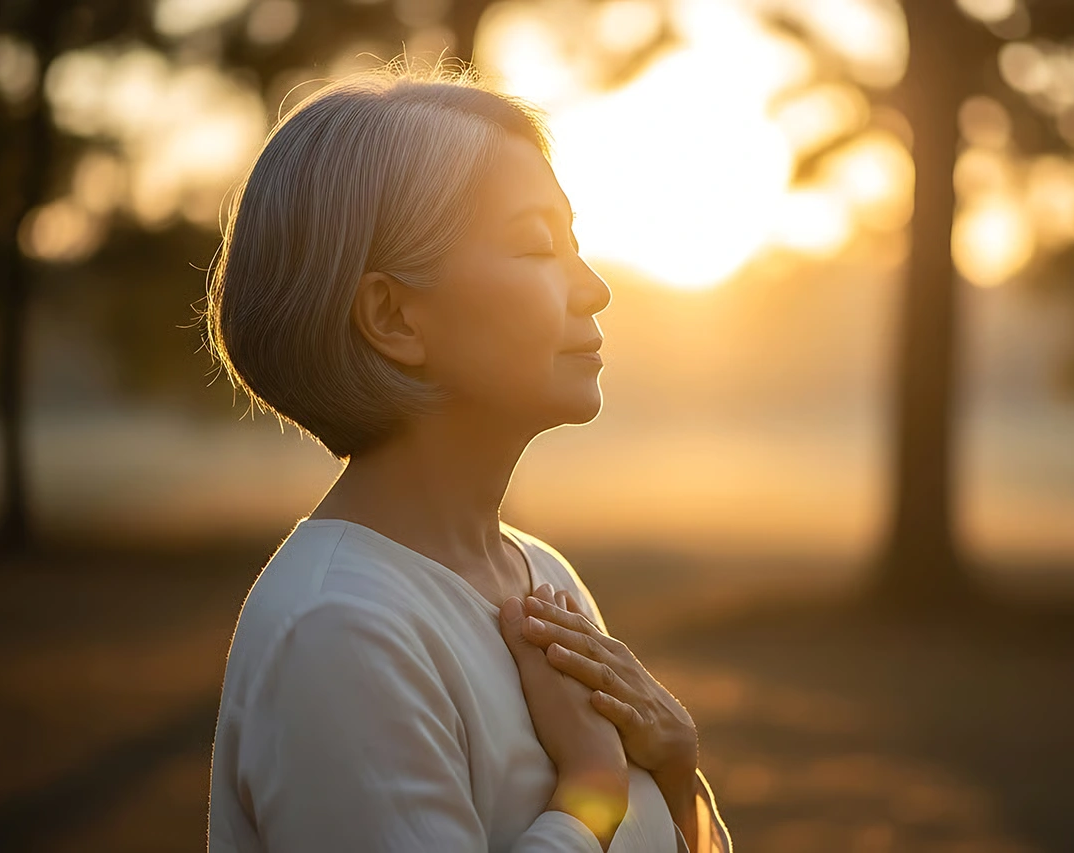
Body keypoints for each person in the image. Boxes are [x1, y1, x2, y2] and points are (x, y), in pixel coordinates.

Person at [201, 66, 732, 853]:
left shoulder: (542, 577)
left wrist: (678, 771)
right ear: (393, 316)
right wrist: (592, 787)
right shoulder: (338, 628)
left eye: (575, 243)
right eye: (537, 246)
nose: (593, 289)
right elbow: (599, 803)